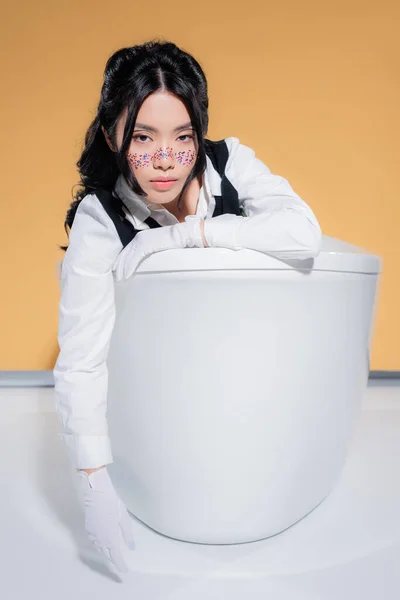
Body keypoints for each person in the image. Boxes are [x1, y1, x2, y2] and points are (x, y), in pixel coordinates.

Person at [53, 39, 322, 574]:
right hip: (158, 404)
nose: (164, 161)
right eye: (142, 137)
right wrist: (94, 480)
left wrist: (190, 234)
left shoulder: (230, 160)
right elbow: (81, 354)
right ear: (112, 135)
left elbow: (304, 233)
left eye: (182, 138)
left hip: (249, 381)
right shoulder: (100, 217)